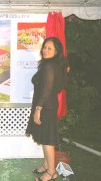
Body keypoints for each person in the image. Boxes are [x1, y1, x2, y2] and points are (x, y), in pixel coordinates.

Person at [26, 37, 67, 181]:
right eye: (44, 47)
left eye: (49, 48)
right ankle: (45, 165)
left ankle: (51, 172)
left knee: (48, 140)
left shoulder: (49, 66)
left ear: (56, 51)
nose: (45, 50)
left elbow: (47, 89)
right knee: (44, 137)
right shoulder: (53, 65)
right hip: (47, 105)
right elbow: (58, 86)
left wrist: (38, 108)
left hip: (46, 107)